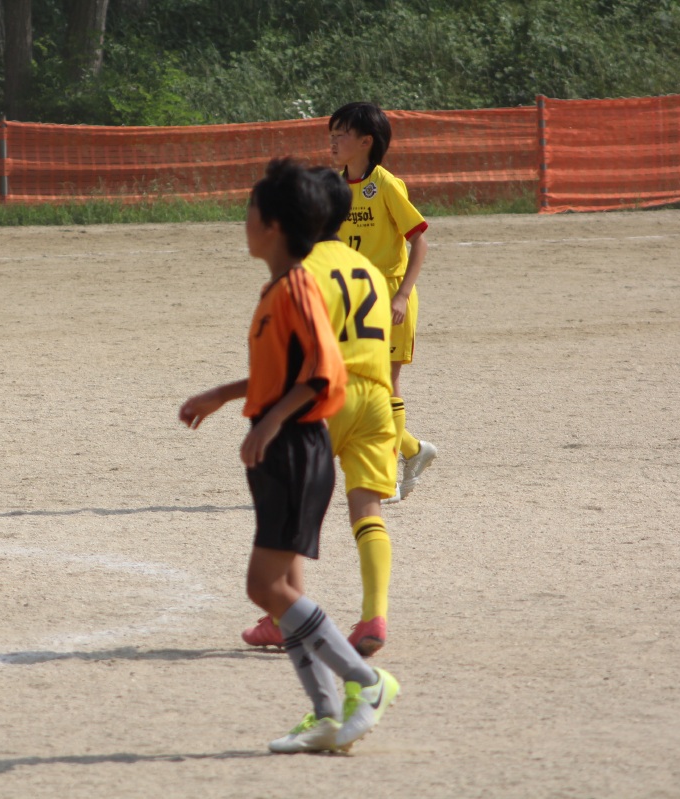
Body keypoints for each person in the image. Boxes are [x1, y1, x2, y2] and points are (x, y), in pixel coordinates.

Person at [179, 158, 399, 754]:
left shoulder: (300, 287)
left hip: (298, 445)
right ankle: (326, 712)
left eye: (251, 211)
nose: (245, 221)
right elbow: (280, 374)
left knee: (267, 585)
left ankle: (365, 681)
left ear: (274, 225)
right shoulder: (280, 288)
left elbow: (324, 372)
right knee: (274, 587)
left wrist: (272, 421)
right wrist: (224, 397)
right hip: (285, 445)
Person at [241, 167, 397, 657]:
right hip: (377, 396)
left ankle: (283, 615)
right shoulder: (368, 268)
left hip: (328, 395)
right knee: (367, 511)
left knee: (289, 503)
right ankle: (374, 615)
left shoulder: (304, 270)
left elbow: (305, 355)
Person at [329, 102, 437, 503]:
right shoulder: (335, 187)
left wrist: (403, 295)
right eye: (331, 135)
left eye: (341, 134)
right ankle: (414, 449)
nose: (333, 142)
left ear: (366, 142)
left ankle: (384, 473)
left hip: (390, 297)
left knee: (386, 384)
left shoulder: (387, 185)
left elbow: (419, 241)